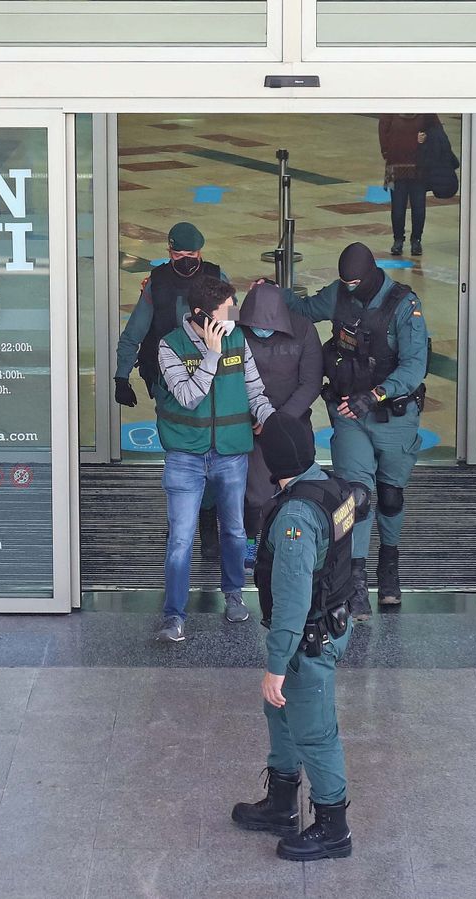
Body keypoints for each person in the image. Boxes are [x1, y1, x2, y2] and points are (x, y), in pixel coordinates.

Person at [230, 412, 362, 861]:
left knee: (315, 733)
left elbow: (290, 602)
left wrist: (274, 666)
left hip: (307, 641)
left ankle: (333, 828)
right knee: (281, 716)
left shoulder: (296, 520)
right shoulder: (329, 486)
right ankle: (282, 804)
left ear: (274, 460)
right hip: (330, 624)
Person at [284, 243, 429, 615]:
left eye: (355, 283)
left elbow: (413, 368)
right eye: (344, 282)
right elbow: (302, 308)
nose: (349, 289)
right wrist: (272, 292)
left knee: (391, 496)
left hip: (395, 416)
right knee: (357, 497)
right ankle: (357, 579)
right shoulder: (337, 294)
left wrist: (377, 394)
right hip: (350, 413)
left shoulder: (403, 306)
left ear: (371, 273)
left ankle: (389, 564)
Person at [154, 277, 276, 642]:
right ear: (201, 316)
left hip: (230, 452)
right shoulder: (169, 346)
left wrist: (276, 424)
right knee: (180, 539)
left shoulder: (238, 339)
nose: (234, 315)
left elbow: (254, 389)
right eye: (227, 309)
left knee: (235, 530)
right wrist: (211, 354)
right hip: (185, 456)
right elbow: (188, 396)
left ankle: (234, 594)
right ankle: (173, 616)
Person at [114, 221, 229, 560]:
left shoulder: (216, 275)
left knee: (208, 451)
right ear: (168, 252)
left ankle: (206, 523)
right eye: (178, 254)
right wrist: (122, 375)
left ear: (201, 253)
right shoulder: (157, 282)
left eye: (190, 254)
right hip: (166, 382)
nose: (185, 260)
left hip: (210, 379)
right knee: (179, 454)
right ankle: (183, 522)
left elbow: (233, 326)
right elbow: (135, 330)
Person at [236, 281, 323, 572]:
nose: (262, 330)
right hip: (249, 424)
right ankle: (250, 542)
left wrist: (278, 422)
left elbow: (310, 382)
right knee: (255, 495)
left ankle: (289, 544)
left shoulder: (303, 330)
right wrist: (253, 418)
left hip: (292, 424)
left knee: (298, 490)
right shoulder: (235, 332)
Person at [378, 113, 442, 257]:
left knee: (418, 206)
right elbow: (383, 131)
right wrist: (388, 151)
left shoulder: (425, 111)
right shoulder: (392, 109)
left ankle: (416, 240)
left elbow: (437, 132)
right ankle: (398, 240)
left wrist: (426, 139)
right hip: (397, 165)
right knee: (398, 207)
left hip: (419, 166)